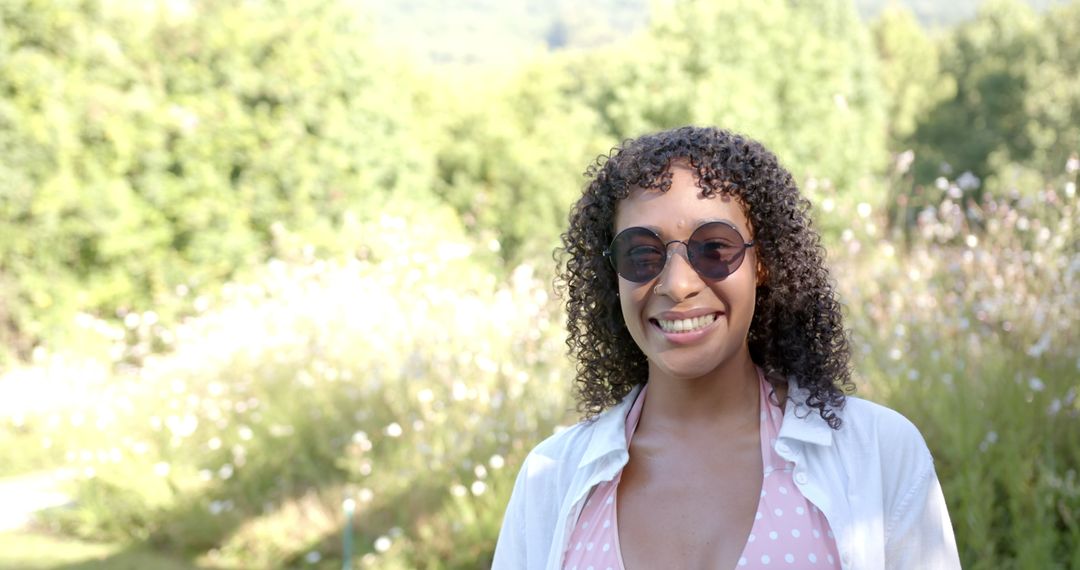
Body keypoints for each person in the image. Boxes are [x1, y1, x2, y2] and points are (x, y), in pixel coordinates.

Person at [492, 126, 961, 570]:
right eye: (642, 253)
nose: (676, 285)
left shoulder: (879, 452)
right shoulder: (549, 479)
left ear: (764, 263)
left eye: (714, 248)